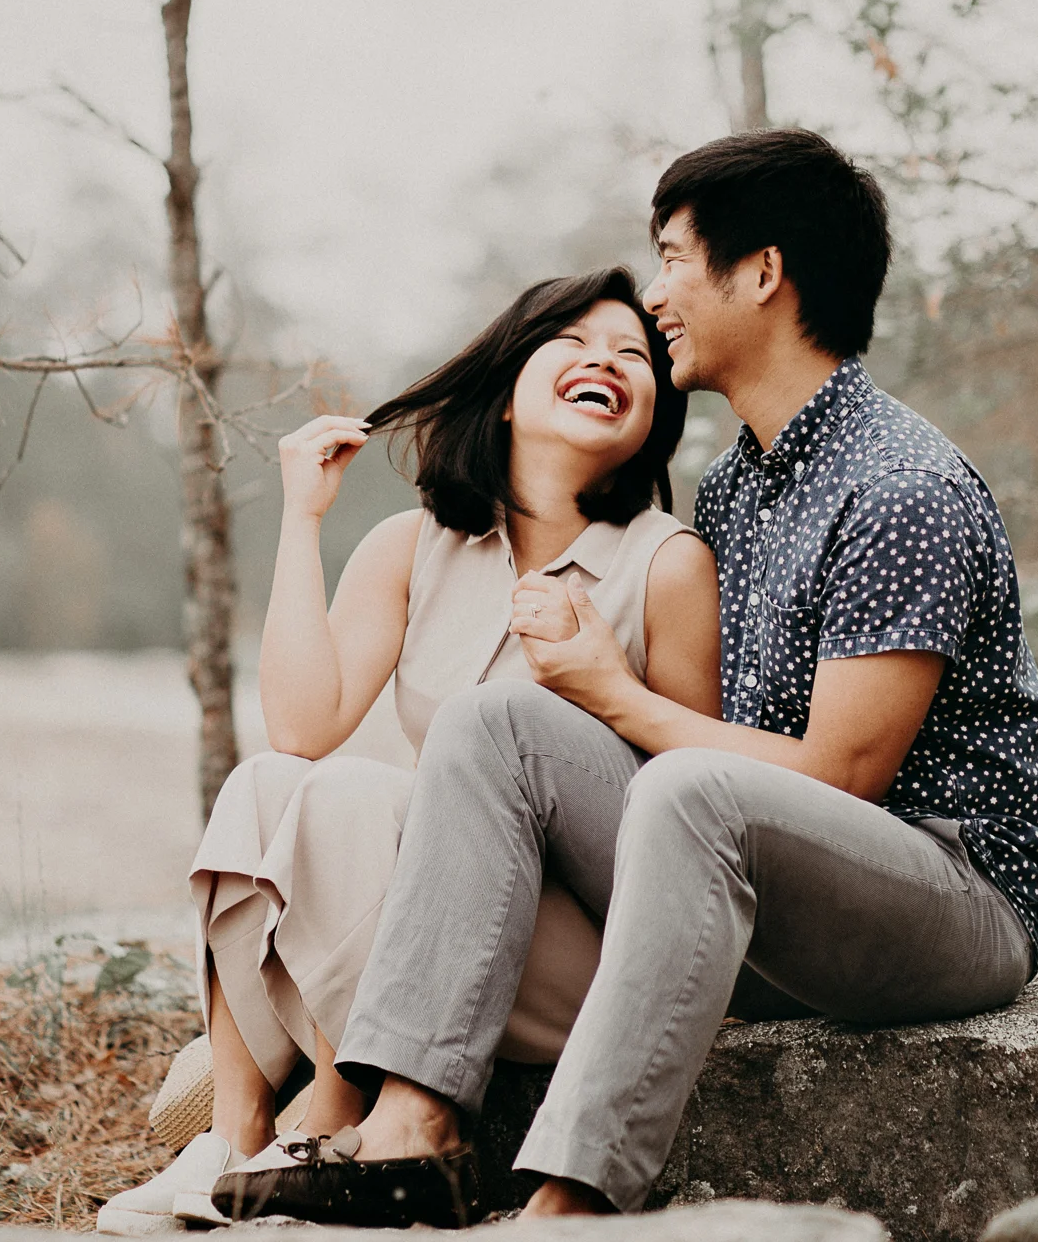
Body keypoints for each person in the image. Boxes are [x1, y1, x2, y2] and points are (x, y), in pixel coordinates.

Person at [237, 129, 1038, 1228]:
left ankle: (572, 1203)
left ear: (762, 274)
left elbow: (843, 775)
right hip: (770, 898)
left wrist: (607, 687)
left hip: (949, 900)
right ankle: (414, 1127)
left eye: (675, 259)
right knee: (495, 720)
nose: (660, 295)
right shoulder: (736, 487)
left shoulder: (899, 487)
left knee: (683, 785)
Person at [94, 268, 721, 1235]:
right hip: (438, 945)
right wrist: (302, 518)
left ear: (651, 422)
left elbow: (689, 805)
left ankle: (339, 1120)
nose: (607, 361)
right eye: (575, 342)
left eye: (635, 355)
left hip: (569, 950)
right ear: (506, 389)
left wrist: (607, 683)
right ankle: (236, 1132)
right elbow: (302, 728)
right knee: (270, 779)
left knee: (352, 796)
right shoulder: (415, 545)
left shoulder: (664, 563)